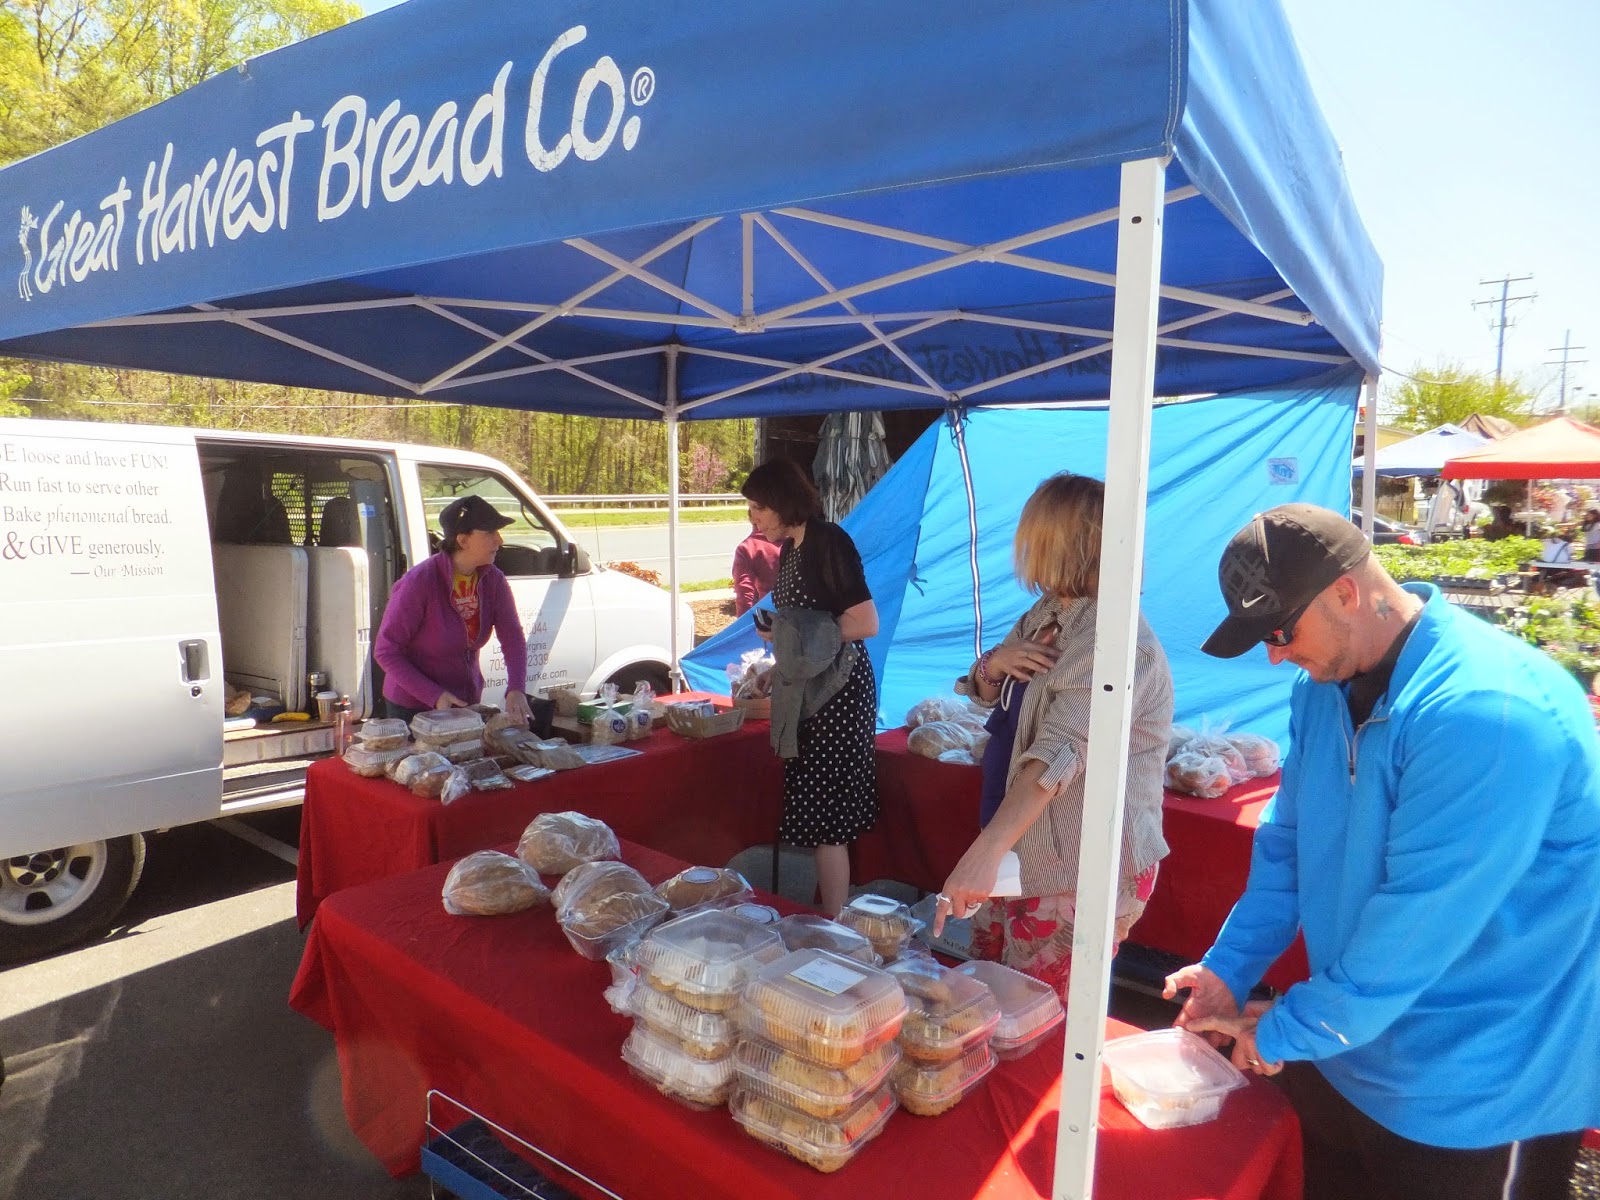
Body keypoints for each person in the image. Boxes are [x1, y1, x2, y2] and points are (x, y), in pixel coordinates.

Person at [1164, 503, 1600, 1200]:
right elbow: (1288, 849)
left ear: (1346, 590)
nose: (1275, 655)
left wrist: (1290, 1029)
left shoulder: (1485, 709)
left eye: (1281, 631)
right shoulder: (1321, 692)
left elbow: (1422, 917)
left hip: (1479, 1082)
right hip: (1350, 1046)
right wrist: (1229, 968)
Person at [932, 473, 1174, 1002]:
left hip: (1073, 862)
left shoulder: (1112, 636)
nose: (1022, 546)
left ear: (1061, 542)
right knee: (992, 1001)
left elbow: (1060, 753)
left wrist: (984, 850)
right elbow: (986, 693)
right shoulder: (1051, 610)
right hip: (1021, 845)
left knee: (1039, 1014)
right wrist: (992, 663)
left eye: (1032, 532)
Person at [742, 459, 879, 916]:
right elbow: (803, 629)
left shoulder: (828, 541)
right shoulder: (790, 551)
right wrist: (777, 665)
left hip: (837, 694)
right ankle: (833, 916)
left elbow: (864, 623)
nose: (753, 519)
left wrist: (789, 636)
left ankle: (837, 924)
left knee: (829, 821)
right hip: (809, 691)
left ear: (783, 503)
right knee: (822, 816)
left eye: (758, 508)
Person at [374, 494, 532, 727]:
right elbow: (386, 651)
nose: (499, 540)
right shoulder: (420, 582)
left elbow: (512, 636)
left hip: (464, 703)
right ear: (462, 540)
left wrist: (516, 688)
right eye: (490, 533)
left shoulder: (493, 579)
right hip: (412, 707)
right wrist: (434, 695)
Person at [731, 523, 781, 616]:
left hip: (771, 615)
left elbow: (745, 593)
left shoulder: (748, 548)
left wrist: (743, 624)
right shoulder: (796, 541)